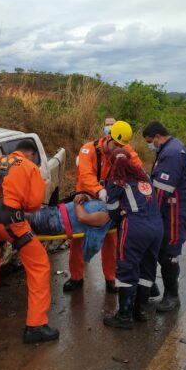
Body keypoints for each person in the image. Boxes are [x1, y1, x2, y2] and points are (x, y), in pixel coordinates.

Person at [0, 140, 59, 344]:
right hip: (12, 223)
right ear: (31, 154)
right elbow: (34, 204)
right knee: (40, 266)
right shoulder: (30, 168)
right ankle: (36, 325)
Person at [64, 120, 144, 294]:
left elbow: (138, 167)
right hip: (86, 197)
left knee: (111, 239)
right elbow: (85, 175)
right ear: (108, 137)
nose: (117, 149)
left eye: (122, 146)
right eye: (115, 145)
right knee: (77, 240)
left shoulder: (123, 149)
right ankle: (76, 277)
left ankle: (110, 278)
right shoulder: (88, 150)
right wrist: (99, 191)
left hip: (109, 200)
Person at [142, 121, 186, 312]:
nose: (150, 145)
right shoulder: (169, 148)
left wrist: (148, 216)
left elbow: (161, 191)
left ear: (158, 137)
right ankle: (151, 286)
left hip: (178, 210)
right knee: (156, 248)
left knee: (168, 253)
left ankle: (172, 296)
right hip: (173, 207)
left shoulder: (172, 153)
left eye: (151, 141)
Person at [103, 148, 163, 329]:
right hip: (156, 226)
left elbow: (112, 210)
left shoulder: (116, 180)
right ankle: (140, 311)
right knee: (147, 268)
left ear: (113, 163)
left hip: (135, 227)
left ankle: (124, 317)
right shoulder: (144, 176)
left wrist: (121, 213)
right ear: (130, 160)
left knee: (127, 267)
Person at [28, 196, 114, 262]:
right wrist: (84, 197)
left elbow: (82, 217)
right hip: (53, 213)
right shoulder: (107, 205)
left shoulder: (107, 214)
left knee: (17, 218)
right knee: (18, 217)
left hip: (54, 220)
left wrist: (77, 203)